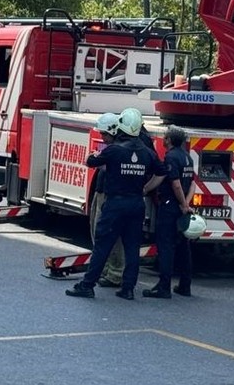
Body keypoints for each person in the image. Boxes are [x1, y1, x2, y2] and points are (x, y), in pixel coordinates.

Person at [67, 108, 163, 300]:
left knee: (102, 246)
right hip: (136, 204)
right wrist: (145, 188)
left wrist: (94, 155)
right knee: (132, 248)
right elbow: (161, 172)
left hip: (115, 205)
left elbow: (90, 161)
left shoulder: (114, 150)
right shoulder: (147, 153)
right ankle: (127, 289)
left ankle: (87, 285)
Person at [143, 125, 196, 299]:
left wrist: (181, 203)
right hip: (181, 208)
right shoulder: (188, 158)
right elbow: (193, 183)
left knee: (165, 247)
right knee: (183, 247)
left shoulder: (171, 157)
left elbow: (175, 183)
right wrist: (187, 205)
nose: (163, 139)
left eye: (165, 137)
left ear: (170, 140)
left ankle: (163, 287)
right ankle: (185, 285)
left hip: (170, 206)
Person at [88, 113, 126, 289]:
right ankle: (104, 268)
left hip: (111, 196)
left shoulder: (117, 149)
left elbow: (90, 162)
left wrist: (97, 158)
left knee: (110, 235)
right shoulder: (114, 148)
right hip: (102, 190)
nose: (102, 137)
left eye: (104, 134)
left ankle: (114, 273)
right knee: (98, 232)